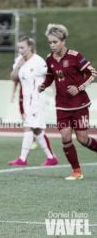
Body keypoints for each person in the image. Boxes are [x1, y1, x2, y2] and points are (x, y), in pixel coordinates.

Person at [39, 24, 97, 180]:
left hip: (79, 104)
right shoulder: (50, 58)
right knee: (65, 137)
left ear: (63, 41)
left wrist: (79, 87)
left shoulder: (75, 56)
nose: (52, 45)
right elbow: (50, 75)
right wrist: (43, 85)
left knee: (83, 139)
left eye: (55, 42)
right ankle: (76, 171)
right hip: (62, 105)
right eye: (50, 42)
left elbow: (92, 72)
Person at [8, 36, 58, 167]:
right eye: (18, 48)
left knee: (29, 126)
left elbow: (51, 76)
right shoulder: (19, 60)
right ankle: (51, 157)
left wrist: (55, 92)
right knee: (36, 129)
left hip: (36, 98)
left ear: (30, 47)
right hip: (26, 99)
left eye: (22, 48)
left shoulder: (38, 61)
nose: (20, 50)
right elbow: (13, 78)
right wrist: (17, 66)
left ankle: (23, 159)